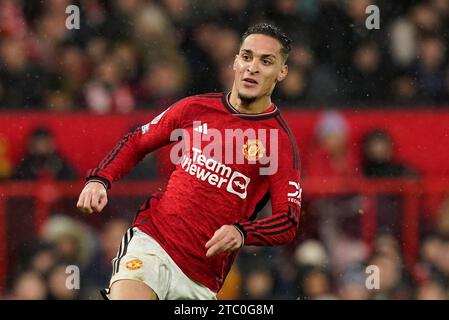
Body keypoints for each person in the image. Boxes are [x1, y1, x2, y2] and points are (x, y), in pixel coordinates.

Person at [76, 23, 302, 300]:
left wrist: (243, 232)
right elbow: (137, 141)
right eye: (246, 56)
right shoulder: (195, 108)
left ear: (282, 72)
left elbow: (288, 221)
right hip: (153, 243)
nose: (252, 67)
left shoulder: (278, 142)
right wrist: (100, 179)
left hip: (203, 278)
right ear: (235, 61)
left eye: (266, 61)